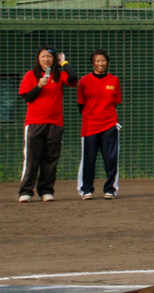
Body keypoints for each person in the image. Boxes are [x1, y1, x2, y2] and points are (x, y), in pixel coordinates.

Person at [18, 47, 77, 202]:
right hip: (35, 122)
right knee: (32, 158)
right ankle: (26, 192)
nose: (46, 60)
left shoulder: (59, 75)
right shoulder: (31, 75)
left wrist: (63, 62)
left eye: (49, 57)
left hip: (55, 123)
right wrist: (39, 85)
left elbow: (73, 77)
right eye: (43, 56)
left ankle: (46, 191)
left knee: (51, 159)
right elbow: (27, 98)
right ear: (38, 59)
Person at [77, 49, 123, 200]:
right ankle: (86, 190)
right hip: (89, 126)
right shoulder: (84, 81)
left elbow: (115, 103)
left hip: (110, 125)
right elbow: (81, 105)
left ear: (107, 62)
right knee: (88, 159)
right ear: (93, 63)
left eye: (103, 60)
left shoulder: (114, 80)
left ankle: (110, 189)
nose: (100, 63)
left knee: (111, 159)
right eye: (97, 61)